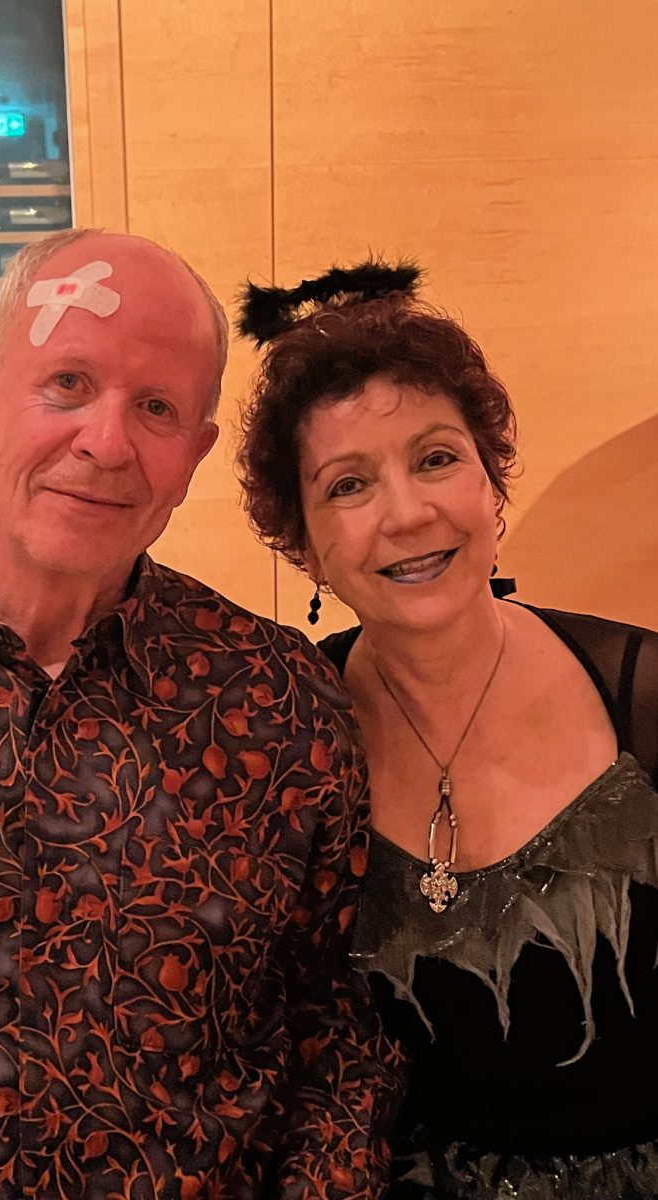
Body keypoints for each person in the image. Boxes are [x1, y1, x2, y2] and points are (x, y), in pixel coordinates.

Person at [0, 231, 405, 1199]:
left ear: (193, 457)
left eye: (156, 407)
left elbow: (335, 1035)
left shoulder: (280, 704)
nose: (106, 443)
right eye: (67, 383)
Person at [232, 259, 658, 1198]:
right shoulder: (285, 727)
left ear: (491, 484)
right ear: (302, 543)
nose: (410, 512)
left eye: (436, 459)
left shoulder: (643, 692)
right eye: (349, 484)